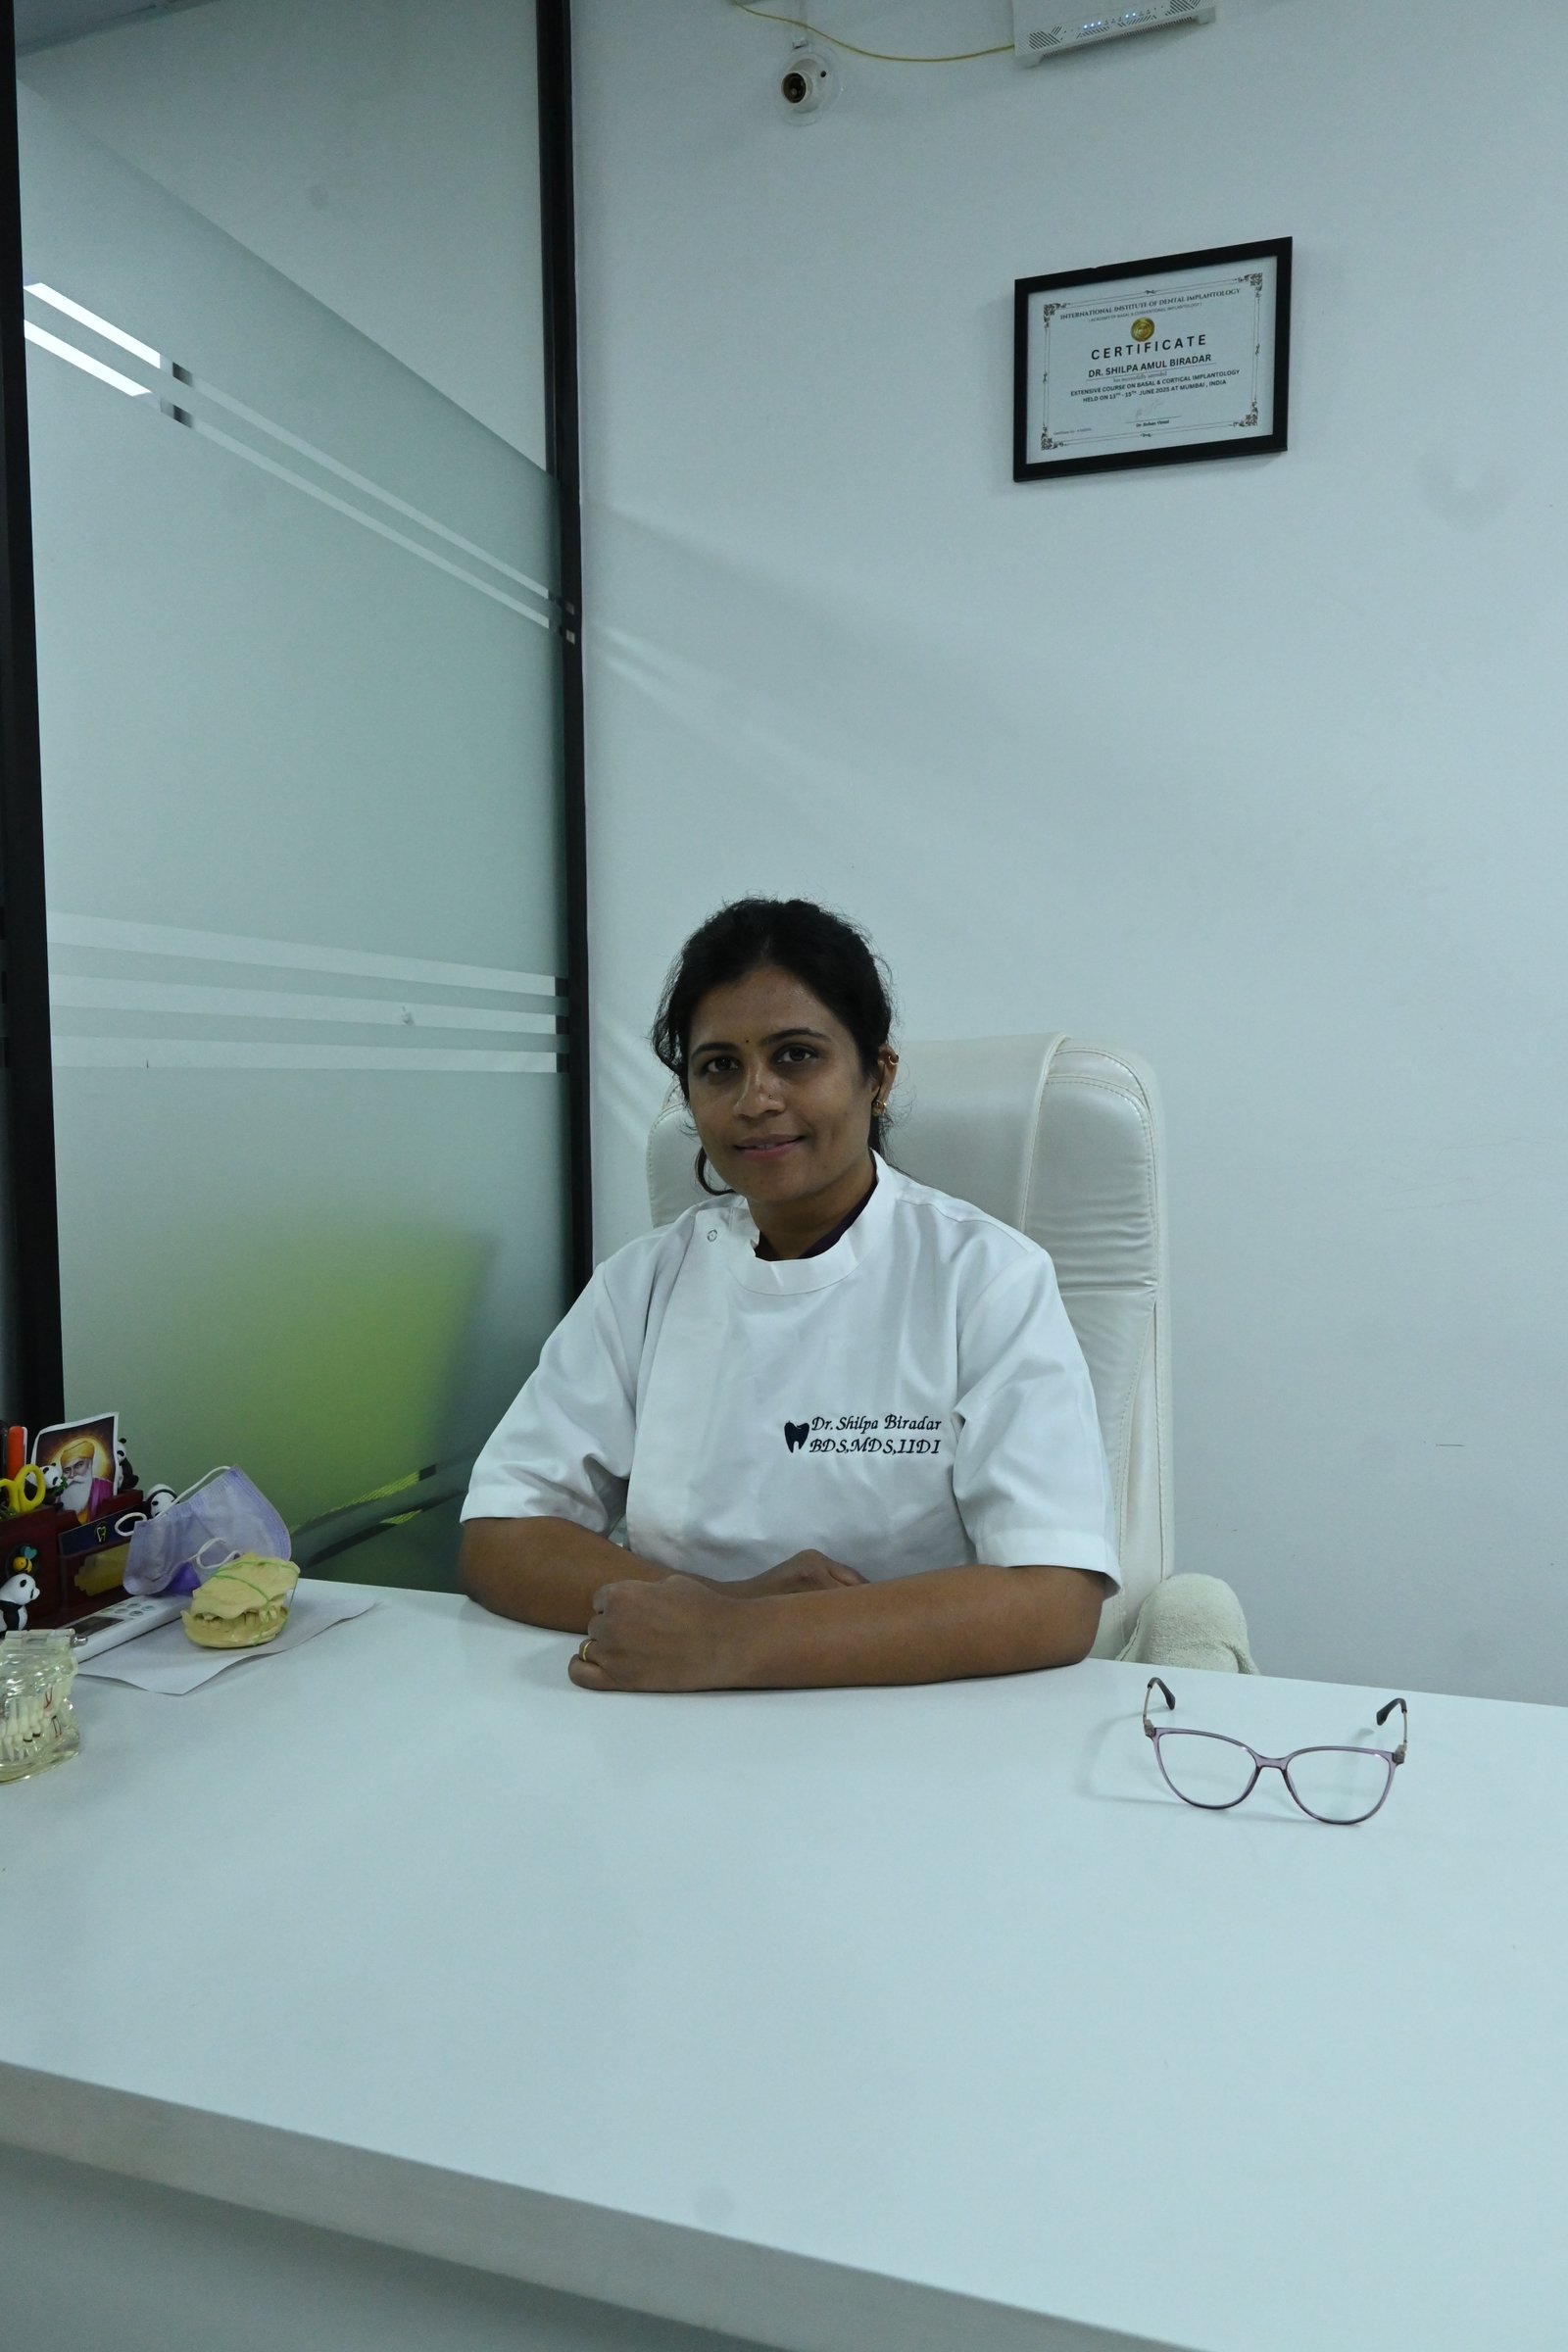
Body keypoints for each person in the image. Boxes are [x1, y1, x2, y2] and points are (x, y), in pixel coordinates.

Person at [460, 897, 1119, 1692]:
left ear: (877, 1076)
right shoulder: (641, 1284)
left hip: (917, 1717)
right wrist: (721, 1608)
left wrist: (740, 1639)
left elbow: (1054, 1597)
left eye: (797, 1056)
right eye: (719, 1067)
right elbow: (502, 1534)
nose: (755, 1099)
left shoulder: (986, 1277)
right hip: (666, 1715)